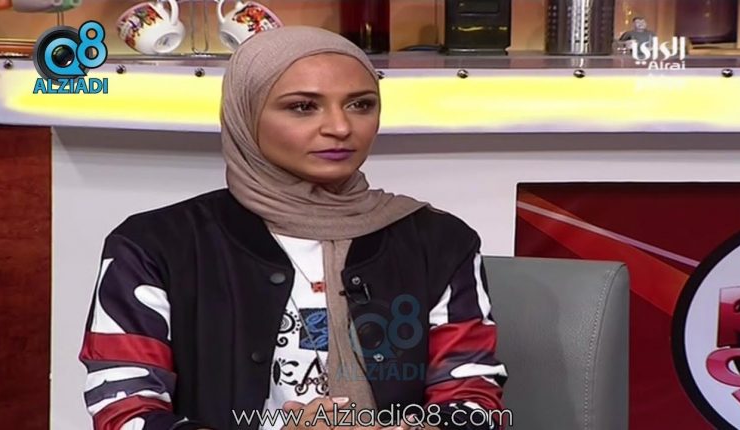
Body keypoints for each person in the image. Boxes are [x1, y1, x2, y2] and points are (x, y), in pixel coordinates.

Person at [78, 26, 507, 430]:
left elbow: (473, 400)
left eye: (361, 104)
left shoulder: (438, 241)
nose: (340, 127)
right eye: (303, 106)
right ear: (246, 114)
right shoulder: (154, 246)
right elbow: (125, 409)